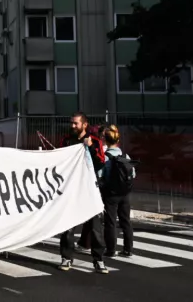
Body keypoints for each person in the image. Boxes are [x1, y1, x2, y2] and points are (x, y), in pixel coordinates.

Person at [57, 112, 107, 273]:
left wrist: (90, 146)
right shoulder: (66, 140)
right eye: (71, 123)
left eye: (75, 123)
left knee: (95, 227)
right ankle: (66, 257)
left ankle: (99, 260)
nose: (72, 126)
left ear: (84, 125)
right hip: (70, 188)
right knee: (68, 226)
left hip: (89, 189)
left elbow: (100, 163)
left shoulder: (95, 141)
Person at [100, 125, 135, 257]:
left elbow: (100, 175)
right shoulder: (125, 155)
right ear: (118, 140)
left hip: (110, 194)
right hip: (125, 193)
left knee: (110, 222)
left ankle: (111, 249)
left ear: (105, 140)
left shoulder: (105, 157)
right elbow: (133, 173)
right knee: (125, 220)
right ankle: (128, 249)